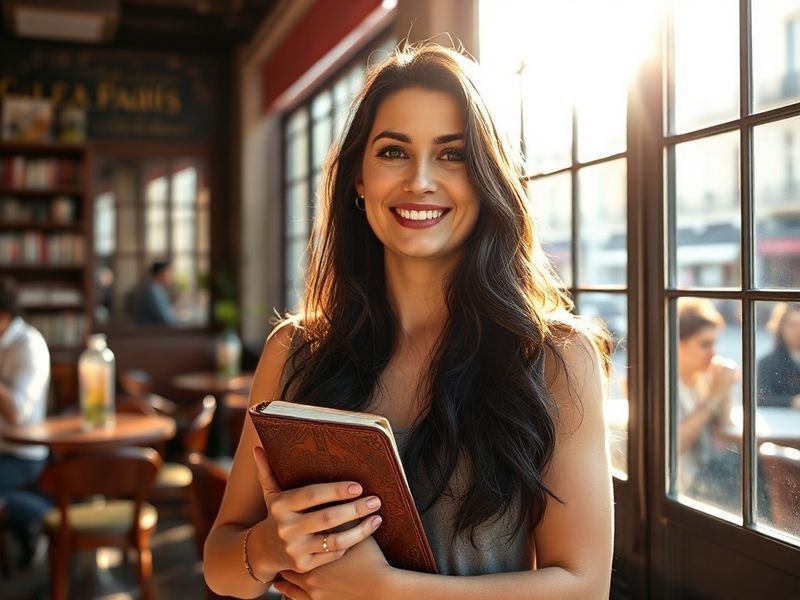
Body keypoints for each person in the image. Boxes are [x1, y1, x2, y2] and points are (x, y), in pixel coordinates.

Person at [205, 43, 614, 599]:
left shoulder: (554, 357)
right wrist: (273, 546)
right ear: (358, 180)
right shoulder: (295, 349)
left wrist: (383, 591)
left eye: (452, 155)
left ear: (486, 177)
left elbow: (585, 587)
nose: (420, 181)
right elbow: (220, 564)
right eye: (393, 152)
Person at [0, 275, 52, 567]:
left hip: (23, 452)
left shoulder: (28, 344)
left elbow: (16, 413)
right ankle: (28, 529)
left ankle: (50, 517)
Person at [675, 298, 739, 504]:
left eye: (714, 344)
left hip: (707, 475)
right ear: (678, 345)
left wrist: (724, 390)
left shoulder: (703, 377)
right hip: (681, 487)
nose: (713, 353)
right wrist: (713, 397)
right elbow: (672, 445)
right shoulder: (663, 383)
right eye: (705, 344)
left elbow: (727, 429)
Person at [756, 302, 800, 409]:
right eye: (793, 325)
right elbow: (761, 398)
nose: (798, 331)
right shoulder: (767, 363)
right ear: (780, 327)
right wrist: (792, 402)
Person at [131, 260, 176, 325]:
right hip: (150, 332)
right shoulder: (152, 291)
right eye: (168, 273)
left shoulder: (158, 289)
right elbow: (165, 318)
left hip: (155, 330)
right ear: (160, 273)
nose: (171, 277)